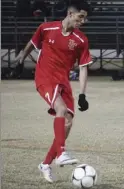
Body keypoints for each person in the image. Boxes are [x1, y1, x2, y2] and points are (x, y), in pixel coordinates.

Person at [14, 1, 92, 183]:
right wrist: (21, 58)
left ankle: (45, 163)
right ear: (70, 14)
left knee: (68, 122)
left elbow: (83, 68)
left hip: (63, 81)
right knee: (61, 109)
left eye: (85, 18)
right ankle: (62, 153)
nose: (83, 21)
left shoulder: (81, 40)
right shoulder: (46, 28)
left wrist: (82, 94)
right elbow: (32, 43)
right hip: (44, 77)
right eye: (81, 17)